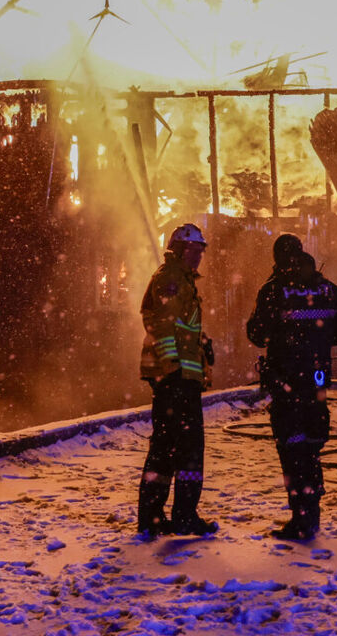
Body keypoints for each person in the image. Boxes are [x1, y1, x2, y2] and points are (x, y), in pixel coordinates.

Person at [246, 233, 337, 540]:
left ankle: (301, 515)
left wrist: (286, 342)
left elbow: (257, 334)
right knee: (312, 443)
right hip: (318, 379)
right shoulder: (329, 289)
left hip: (286, 381)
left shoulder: (273, 290)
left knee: (292, 446)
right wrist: (317, 343)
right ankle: (312, 507)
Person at [135, 222, 218, 538]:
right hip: (176, 379)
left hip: (180, 378)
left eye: (200, 251)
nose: (198, 257)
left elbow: (179, 326)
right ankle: (181, 516)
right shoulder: (171, 279)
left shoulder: (179, 279)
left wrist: (202, 347)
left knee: (167, 448)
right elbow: (163, 326)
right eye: (194, 251)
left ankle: (155, 518)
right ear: (180, 250)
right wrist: (172, 369)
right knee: (186, 449)